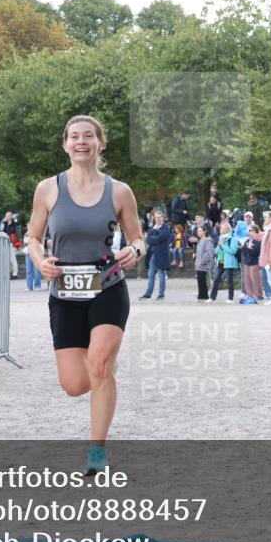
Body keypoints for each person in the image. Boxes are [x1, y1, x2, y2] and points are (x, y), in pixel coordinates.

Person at [26, 115, 144, 475]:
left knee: (100, 366)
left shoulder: (119, 191)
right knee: (75, 384)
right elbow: (32, 237)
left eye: (88, 136)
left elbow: (138, 238)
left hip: (107, 286)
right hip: (64, 291)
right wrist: (39, 260)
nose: (81, 142)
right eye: (74, 137)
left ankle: (97, 453)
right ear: (65, 144)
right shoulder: (48, 189)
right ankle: (102, 368)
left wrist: (135, 252)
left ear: (100, 143)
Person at [246, 211, 271, 306]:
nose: (265, 219)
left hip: (270, 258)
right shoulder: (269, 229)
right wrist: (250, 233)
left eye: (266, 217)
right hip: (267, 258)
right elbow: (259, 237)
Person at [140, 211, 171, 300]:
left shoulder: (166, 228)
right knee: (150, 275)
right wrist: (156, 239)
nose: (158, 219)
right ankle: (148, 294)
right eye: (156, 217)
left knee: (161, 275)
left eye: (159, 217)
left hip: (161, 255)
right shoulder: (153, 228)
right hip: (153, 254)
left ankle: (161, 294)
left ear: (163, 218)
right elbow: (148, 240)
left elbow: (161, 238)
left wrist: (155, 239)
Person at [209, 222, 240, 303]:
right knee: (216, 279)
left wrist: (223, 245)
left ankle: (230, 298)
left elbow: (233, 251)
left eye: (222, 228)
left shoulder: (233, 238)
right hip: (221, 262)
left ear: (227, 229)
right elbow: (217, 251)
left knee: (230, 280)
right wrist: (219, 246)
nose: (220, 229)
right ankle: (212, 298)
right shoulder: (220, 237)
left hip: (229, 262)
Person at [240, 224, 264, 301]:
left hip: (254, 262)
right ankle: (250, 295)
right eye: (248, 231)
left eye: (250, 230)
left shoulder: (258, 241)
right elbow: (243, 250)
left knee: (255, 279)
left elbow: (256, 252)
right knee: (247, 279)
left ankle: (258, 295)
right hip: (246, 262)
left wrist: (248, 250)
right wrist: (248, 250)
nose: (248, 232)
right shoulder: (247, 240)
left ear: (255, 231)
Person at [193, 225, 215, 301]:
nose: (198, 233)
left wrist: (202, 262)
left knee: (203, 280)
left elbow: (208, 253)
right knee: (200, 280)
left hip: (204, 264)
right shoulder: (199, 241)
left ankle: (204, 296)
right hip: (198, 265)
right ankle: (201, 296)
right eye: (198, 231)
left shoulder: (208, 240)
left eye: (200, 231)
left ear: (205, 231)